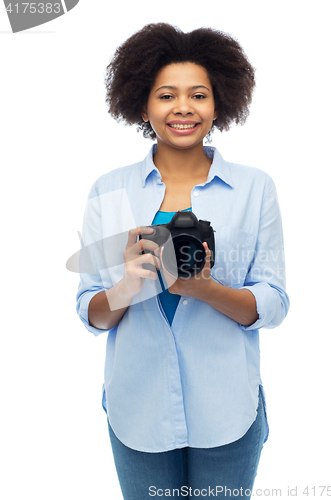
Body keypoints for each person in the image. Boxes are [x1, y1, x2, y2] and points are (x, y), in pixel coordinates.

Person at [76, 23, 290, 499]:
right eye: (166, 95)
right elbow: (90, 311)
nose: (183, 108)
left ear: (219, 103)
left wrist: (206, 289)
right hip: (138, 408)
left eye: (199, 95)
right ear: (143, 103)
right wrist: (127, 286)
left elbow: (274, 301)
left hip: (228, 407)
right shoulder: (108, 192)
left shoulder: (255, 188)